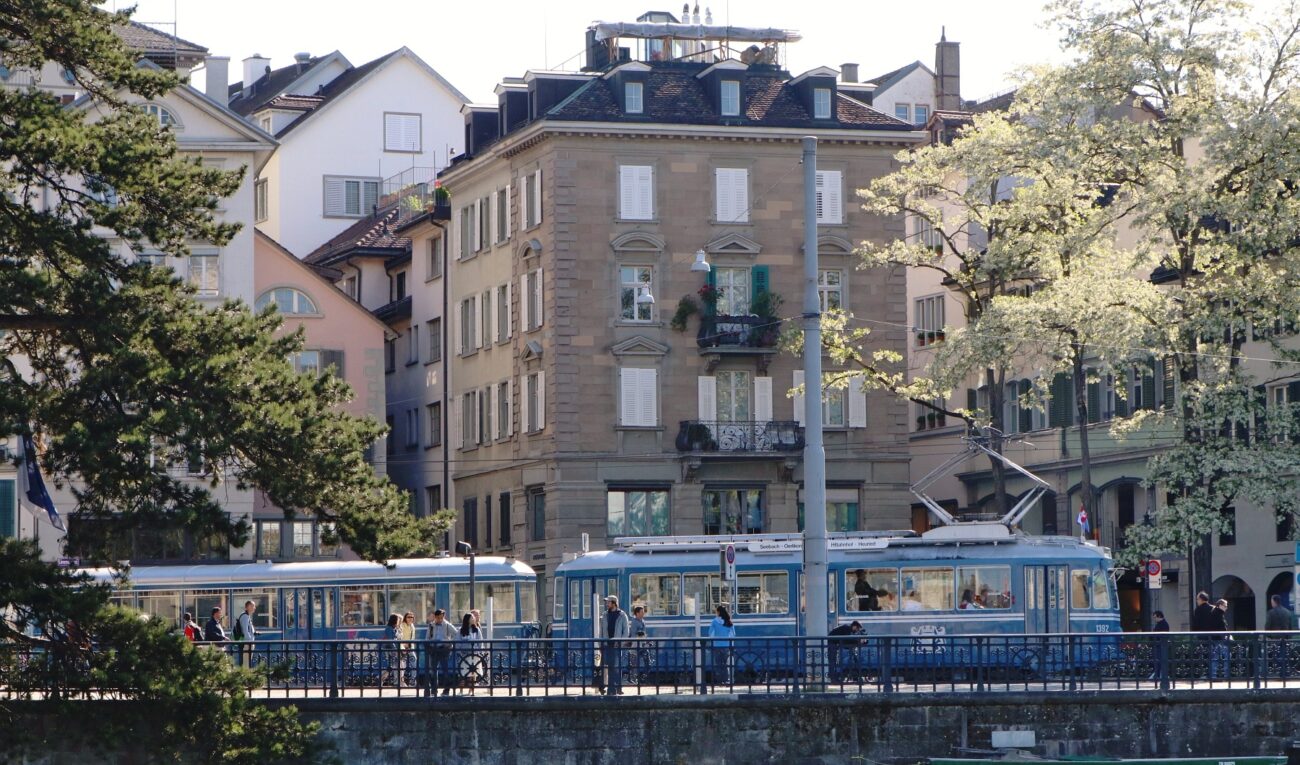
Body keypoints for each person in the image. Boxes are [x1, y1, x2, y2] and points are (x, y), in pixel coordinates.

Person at [425, 609, 459, 697]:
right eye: (437, 618)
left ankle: (446, 689)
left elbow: (457, 634)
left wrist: (449, 643)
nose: (439, 619)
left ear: (443, 617)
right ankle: (434, 690)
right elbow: (427, 637)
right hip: (434, 649)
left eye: (441, 618)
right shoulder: (431, 626)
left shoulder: (447, 625)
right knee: (433, 670)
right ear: (435, 617)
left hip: (444, 649)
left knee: (445, 670)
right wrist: (429, 645)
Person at [601, 595, 630, 696]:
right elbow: (602, 630)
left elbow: (626, 631)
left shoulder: (622, 615)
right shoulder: (605, 615)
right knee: (610, 667)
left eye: (608, 602)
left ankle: (615, 689)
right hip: (607, 644)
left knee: (616, 667)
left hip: (616, 645)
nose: (606, 604)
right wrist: (602, 642)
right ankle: (613, 689)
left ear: (614, 603)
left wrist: (621, 642)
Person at [707, 604, 736, 686]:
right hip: (726, 645)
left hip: (717, 645)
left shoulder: (714, 622)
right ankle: (727, 680)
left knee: (718, 664)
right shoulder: (728, 621)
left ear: (718, 612)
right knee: (726, 664)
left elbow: (710, 633)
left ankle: (719, 681)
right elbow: (733, 634)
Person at [458, 612, 483, 694]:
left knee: (473, 672)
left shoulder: (476, 629)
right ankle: (461, 689)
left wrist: (479, 652)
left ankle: (471, 690)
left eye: (473, 618)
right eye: (471, 618)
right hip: (464, 654)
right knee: (463, 672)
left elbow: (480, 641)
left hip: (474, 654)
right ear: (467, 620)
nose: (474, 619)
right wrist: (460, 651)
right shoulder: (461, 630)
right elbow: (458, 642)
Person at [1208, 599, 1231, 679]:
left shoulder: (1215, 613)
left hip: (1216, 638)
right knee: (1226, 657)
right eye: (1225, 606)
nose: (1226, 608)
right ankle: (1226, 675)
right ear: (1220, 605)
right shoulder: (1218, 614)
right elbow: (1221, 627)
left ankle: (1213, 675)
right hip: (1219, 639)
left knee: (1216, 657)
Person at [234, 599, 257, 668]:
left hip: (247, 643)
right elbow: (245, 631)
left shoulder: (247, 616)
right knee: (246, 662)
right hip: (246, 643)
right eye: (252, 606)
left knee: (247, 661)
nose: (254, 608)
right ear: (247, 607)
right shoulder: (245, 616)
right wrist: (250, 641)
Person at [382, 614, 402, 686]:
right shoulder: (389, 628)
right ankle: (381, 678)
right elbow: (391, 641)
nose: (399, 621)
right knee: (391, 666)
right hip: (389, 649)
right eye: (398, 620)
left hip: (393, 649)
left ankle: (397, 681)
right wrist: (395, 651)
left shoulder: (394, 628)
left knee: (394, 665)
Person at [1150, 610, 1170, 680]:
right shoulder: (1160, 624)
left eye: (1155, 617)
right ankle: (1158, 674)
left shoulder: (1163, 624)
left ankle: (1159, 675)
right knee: (1158, 660)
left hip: (1160, 645)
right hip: (1158, 645)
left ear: (1159, 616)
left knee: (1160, 660)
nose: (1154, 619)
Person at [400, 612, 417, 687]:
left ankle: (412, 680)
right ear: (405, 618)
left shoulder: (412, 626)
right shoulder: (402, 625)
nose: (410, 618)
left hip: (410, 648)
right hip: (403, 647)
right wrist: (403, 644)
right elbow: (399, 636)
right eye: (408, 617)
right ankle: (401, 681)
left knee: (414, 663)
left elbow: (412, 637)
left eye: (412, 617)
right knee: (402, 665)